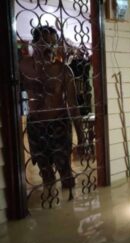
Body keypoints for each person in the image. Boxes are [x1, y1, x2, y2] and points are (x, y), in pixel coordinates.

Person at [19, 26, 84, 189]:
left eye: (53, 44)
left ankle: (69, 209)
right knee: (45, 171)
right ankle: (50, 206)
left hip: (58, 124)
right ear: (34, 44)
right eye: (45, 43)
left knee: (65, 171)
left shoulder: (63, 70)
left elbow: (73, 106)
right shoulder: (22, 67)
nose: (50, 48)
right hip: (35, 125)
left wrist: (82, 138)